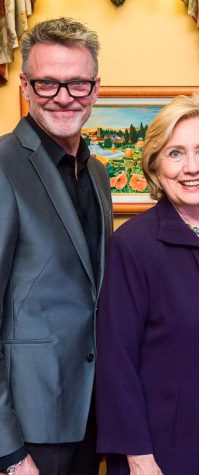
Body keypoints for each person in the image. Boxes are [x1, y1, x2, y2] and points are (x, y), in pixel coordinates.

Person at [95, 94, 199, 475]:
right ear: (155, 164)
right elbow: (115, 360)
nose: (191, 168)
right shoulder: (134, 244)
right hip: (166, 455)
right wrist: (138, 457)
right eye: (175, 154)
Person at [0, 17, 112, 475]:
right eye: (47, 83)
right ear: (25, 86)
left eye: (77, 84)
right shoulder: (3, 165)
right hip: (26, 429)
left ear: (96, 88)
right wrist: (7, 450)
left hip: (89, 418)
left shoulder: (99, 173)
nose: (64, 97)